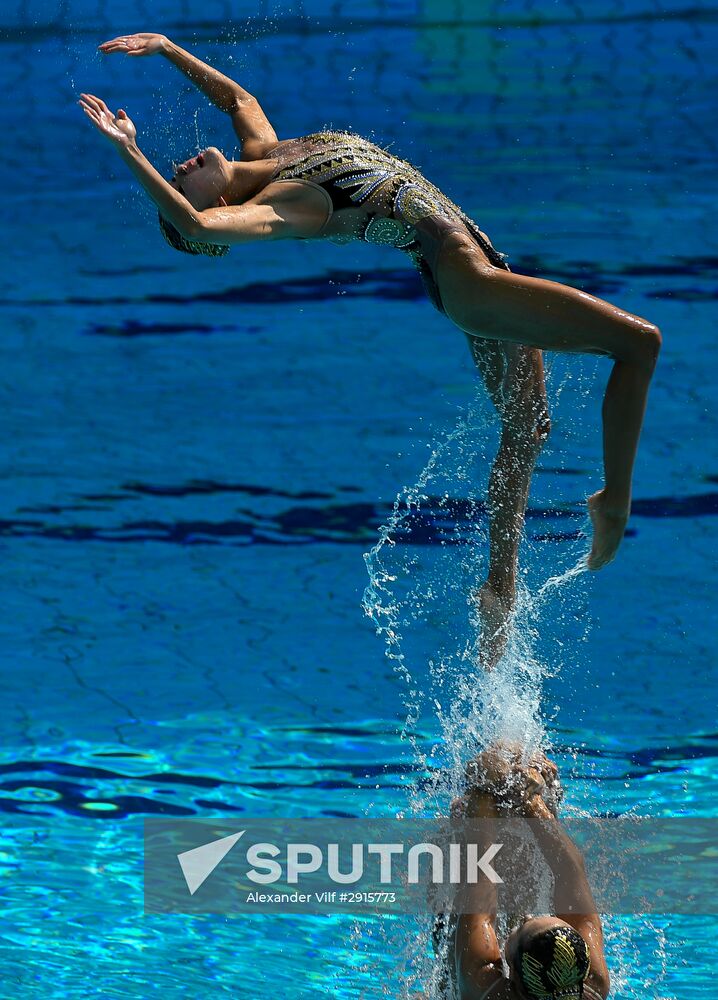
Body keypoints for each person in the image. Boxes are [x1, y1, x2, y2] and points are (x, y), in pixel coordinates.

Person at [79, 33, 662, 667]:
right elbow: (193, 225)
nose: (181, 167)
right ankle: (614, 502)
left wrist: (167, 49)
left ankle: (498, 589)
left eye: (174, 171)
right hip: (470, 282)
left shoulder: (270, 151)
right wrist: (130, 152)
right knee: (638, 343)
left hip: (475, 263)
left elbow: (237, 97)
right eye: (179, 180)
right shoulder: (288, 207)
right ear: (221, 206)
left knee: (527, 426)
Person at [433, 744, 610, 1000]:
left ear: (511, 974)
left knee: (452, 928)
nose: (527, 915)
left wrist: (484, 784)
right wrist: (532, 801)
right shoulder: (591, 983)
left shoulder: (485, 987)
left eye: (523, 926)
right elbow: (570, 870)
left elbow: (479, 869)